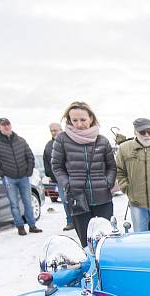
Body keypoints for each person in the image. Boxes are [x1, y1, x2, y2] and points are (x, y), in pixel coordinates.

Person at [51, 101, 117, 247]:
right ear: (69, 120)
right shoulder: (62, 140)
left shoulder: (102, 141)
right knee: (86, 243)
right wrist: (67, 183)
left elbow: (112, 166)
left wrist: (108, 182)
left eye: (83, 120)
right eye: (74, 120)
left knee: (106, 241)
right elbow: (56, 166)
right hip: (78, 198)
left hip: (102, 199)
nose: (79, 124)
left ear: (91, 119)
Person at [0, 117, 41, 236]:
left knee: (28, 201)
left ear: (11, 125)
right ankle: (20, 226)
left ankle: (32, 225)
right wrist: (1, 173)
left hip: (23, 176)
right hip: (8, 177)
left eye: (8, 124)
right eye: (3, 124)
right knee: (14, 204)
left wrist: (29, 170)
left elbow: (29, 156)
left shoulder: (20, 140)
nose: (6, 126)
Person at [43, 122, 73, 231]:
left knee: (78, 198)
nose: (54, 132)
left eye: (56, 130)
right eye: (52, 130)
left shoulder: (69, 141)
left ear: (62, 129)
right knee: (65, 200)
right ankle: (70, 221)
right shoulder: (48, 146)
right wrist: (50, 175)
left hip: (73, 176)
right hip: (60, 179)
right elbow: (47, 163)